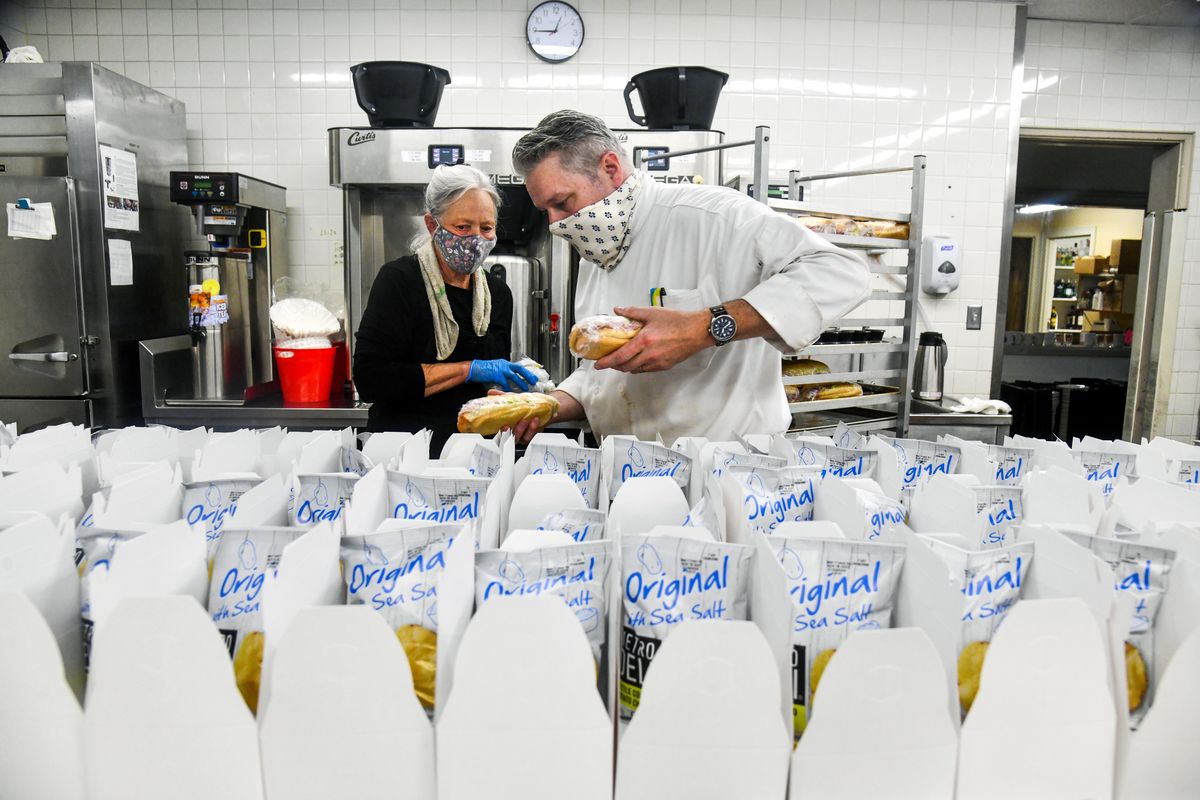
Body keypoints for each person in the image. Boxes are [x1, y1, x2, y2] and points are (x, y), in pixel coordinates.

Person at [508, 110, 871, 444]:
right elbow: (599, 378)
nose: (556, 224)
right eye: (546, 211)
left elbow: (840, 272)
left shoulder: (713, 216)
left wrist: (704, 327)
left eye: (563, 202)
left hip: (725, 471)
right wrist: (549, 406)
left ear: (610, 168)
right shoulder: (595, 256)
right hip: (626, 473)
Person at [353, 164, 537, 453]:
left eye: (486, 228)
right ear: (432, 225)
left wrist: (515, 398)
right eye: (463, 227)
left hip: (476, 453)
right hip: (404, 451)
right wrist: (468, 369)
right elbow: (371, 380)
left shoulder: (498, 294)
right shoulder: (400, 281)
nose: (476, 238)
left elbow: (488, 394)